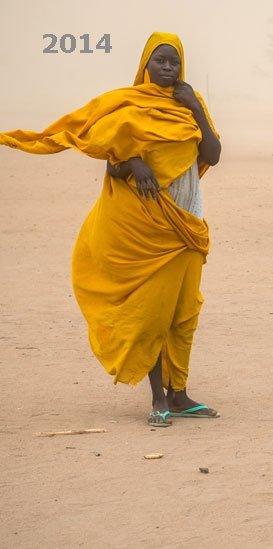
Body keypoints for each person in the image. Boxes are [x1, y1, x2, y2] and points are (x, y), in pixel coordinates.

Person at [0, 32, 221, 427]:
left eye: (174, 62)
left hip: (188, 221)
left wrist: (196, 110)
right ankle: (158, 399)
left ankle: (181, 393)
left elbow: (213, 155)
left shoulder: (191, 104)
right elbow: (112, 163)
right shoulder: (127, 108)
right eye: (160, 61)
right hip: (146, 224)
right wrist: (133, 163)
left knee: (185, 314)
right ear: (145, 66)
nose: (167, 68)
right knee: (151, 315)